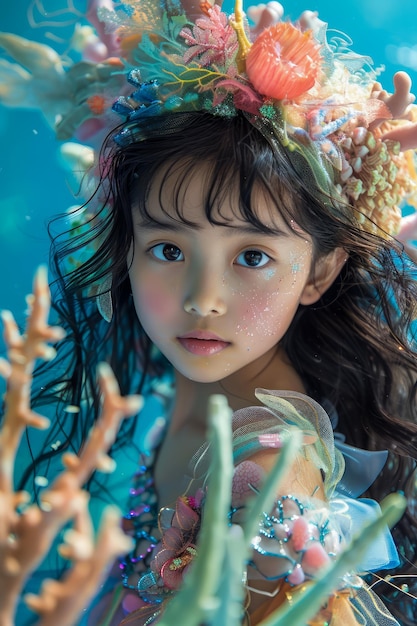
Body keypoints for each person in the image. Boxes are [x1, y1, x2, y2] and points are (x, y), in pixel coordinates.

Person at [3, 0, 417, 624]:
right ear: (127, 249)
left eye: (251, 256)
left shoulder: (269, 475)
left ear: (321, 270)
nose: (203, 298)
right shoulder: (201, 390)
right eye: (168, 249)